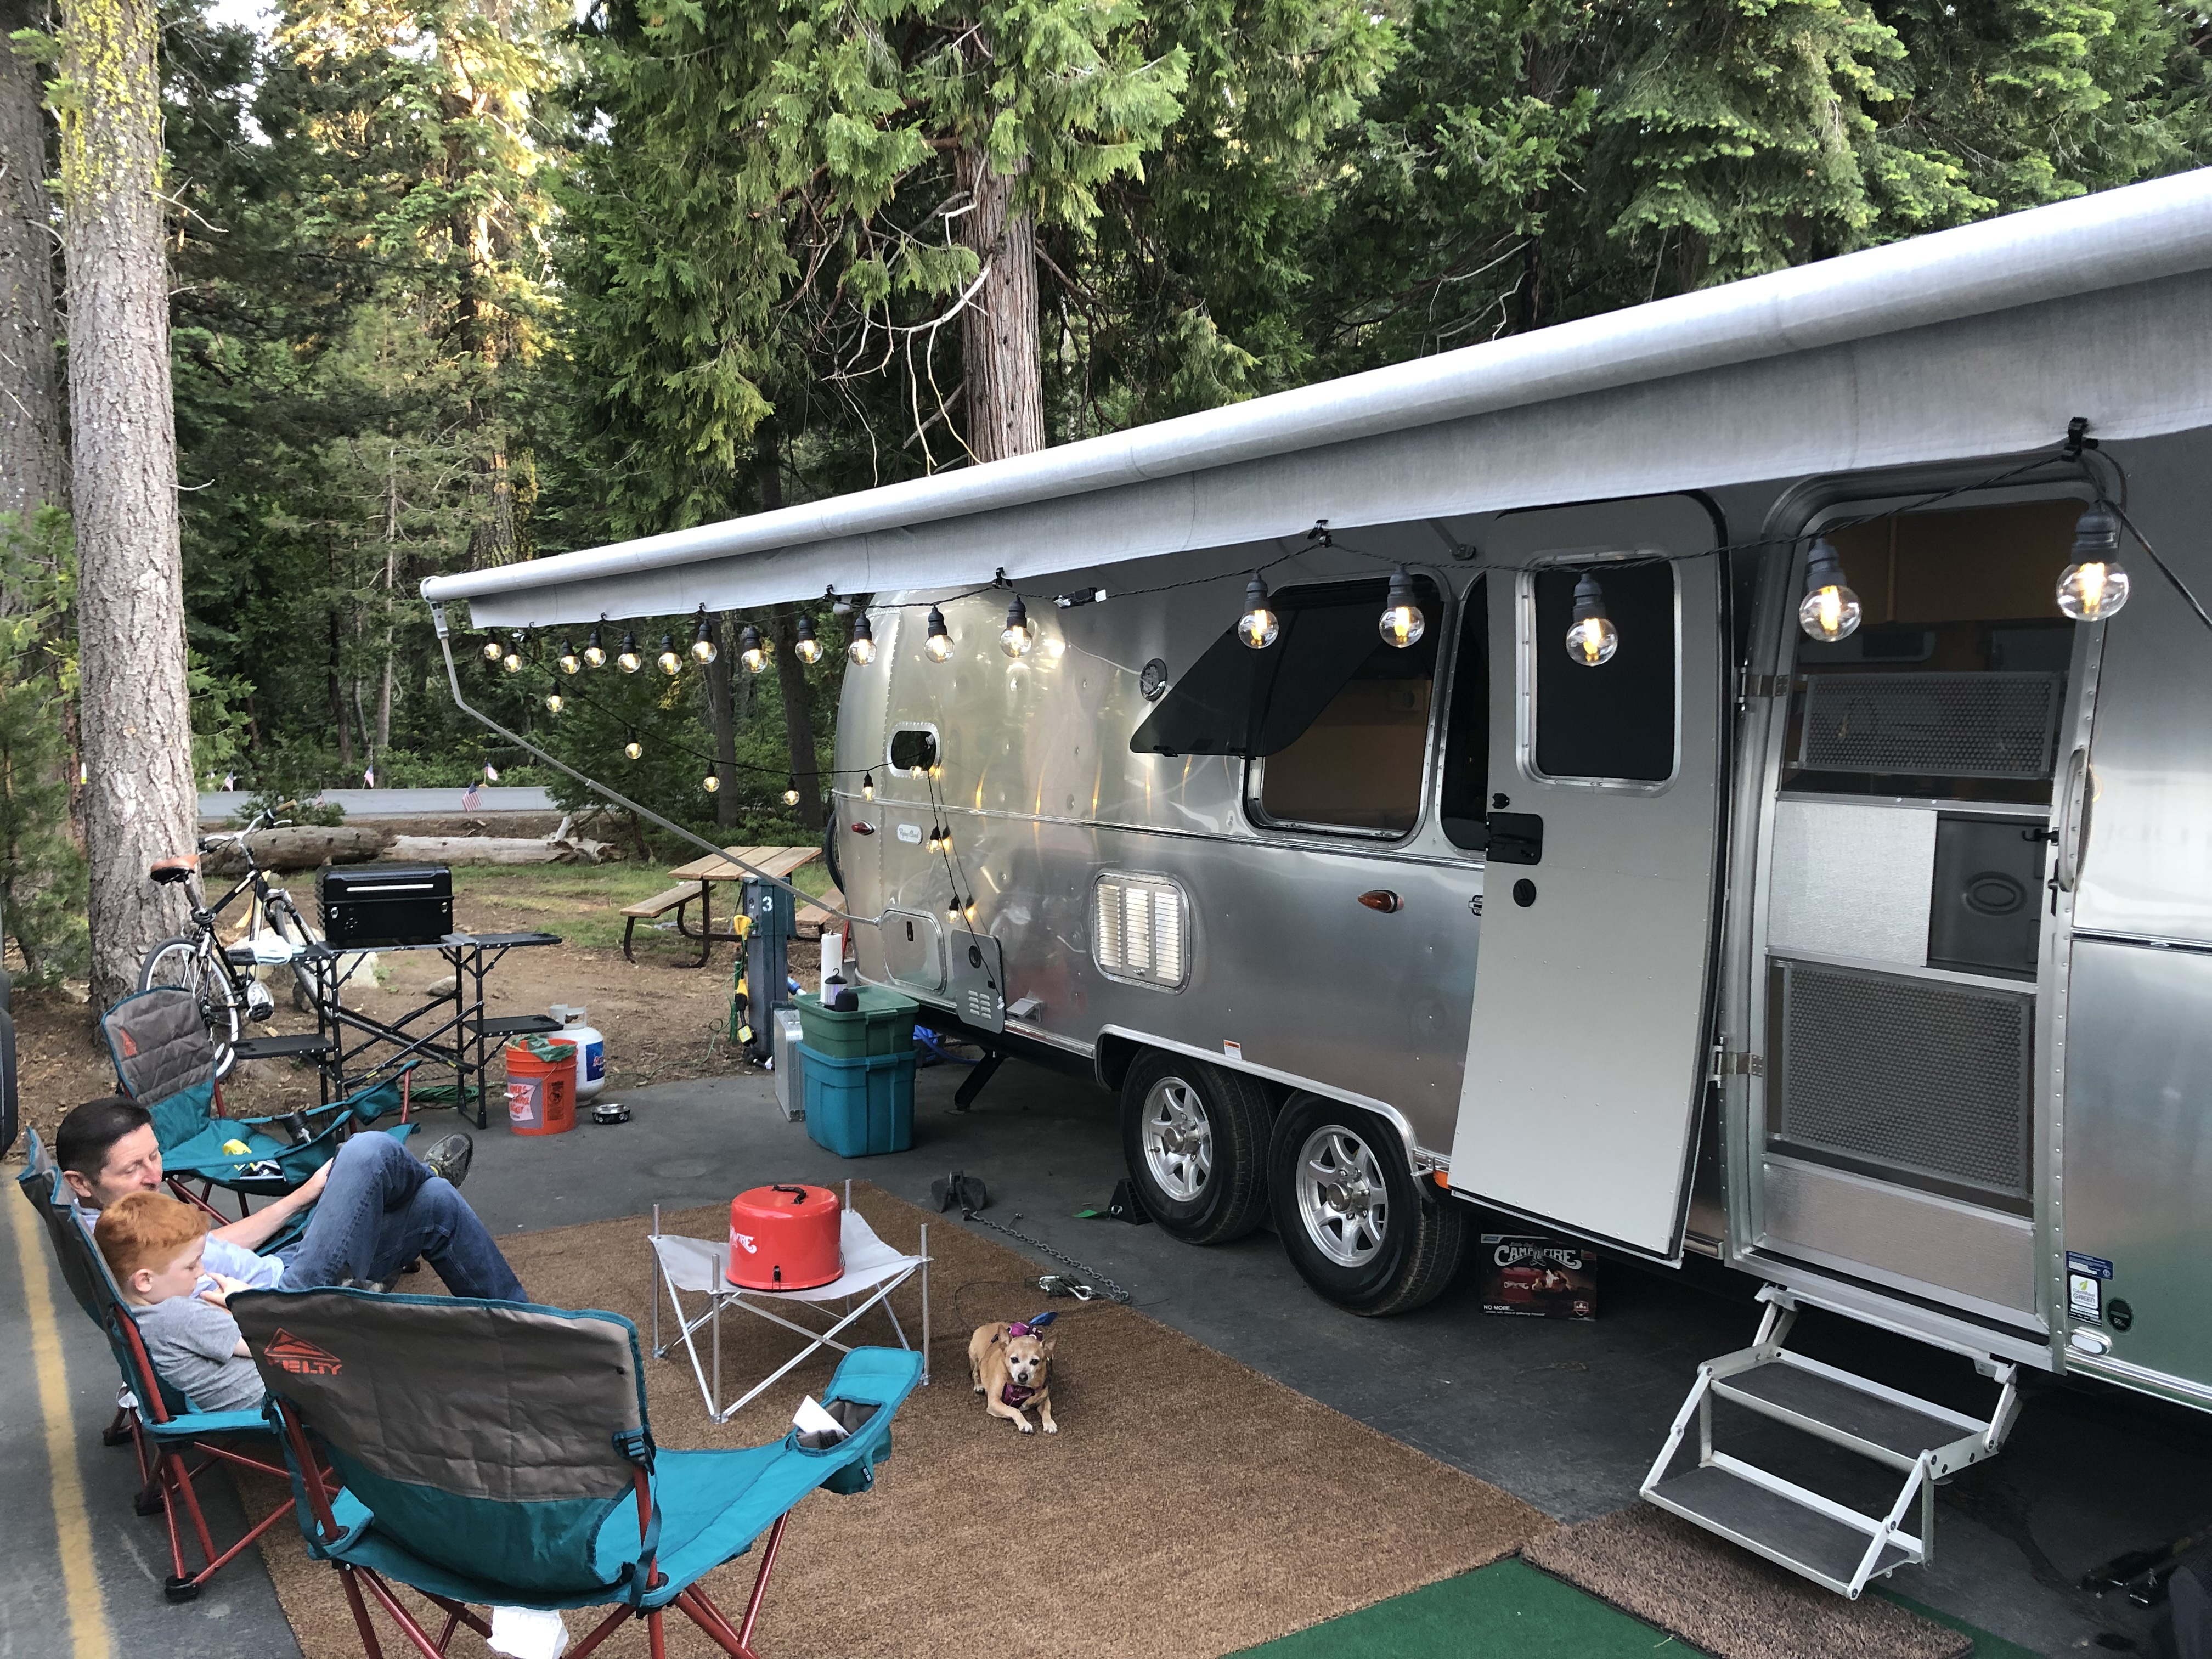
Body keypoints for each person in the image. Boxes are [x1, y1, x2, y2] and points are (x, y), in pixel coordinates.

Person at [56, 1097, 526, 1302]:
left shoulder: (124, 1216)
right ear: (81, 1182)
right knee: (365, 1151)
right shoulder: (119, 1249)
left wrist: (302, 1197)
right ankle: (421, 1174)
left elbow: (212, 1246)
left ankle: (533, 1333)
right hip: (291, 1302)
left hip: (283, 1267)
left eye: (155, 1156)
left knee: (436, 1203)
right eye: (132, 1169)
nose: (154, 1176)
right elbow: (197, 1321)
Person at [94, 1190, 266, 1413]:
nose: (201, 1271)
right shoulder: (182, 1315)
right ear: (145, 1280)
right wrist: (249, 1302)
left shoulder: (130, 1315)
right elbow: (275, 1347)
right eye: (191, 1266)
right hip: (276, 1406)